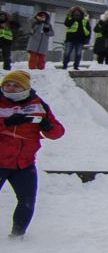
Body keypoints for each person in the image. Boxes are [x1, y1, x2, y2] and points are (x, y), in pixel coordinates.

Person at [1, 68, 65, 236]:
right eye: (7, 84)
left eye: (16, 85)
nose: (10, 88)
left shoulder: (38, 104)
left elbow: (58, 132)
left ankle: (17, 235)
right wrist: (5, 124)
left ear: (25, 88)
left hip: (24, 163)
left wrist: (48, 127)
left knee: (27, 200)